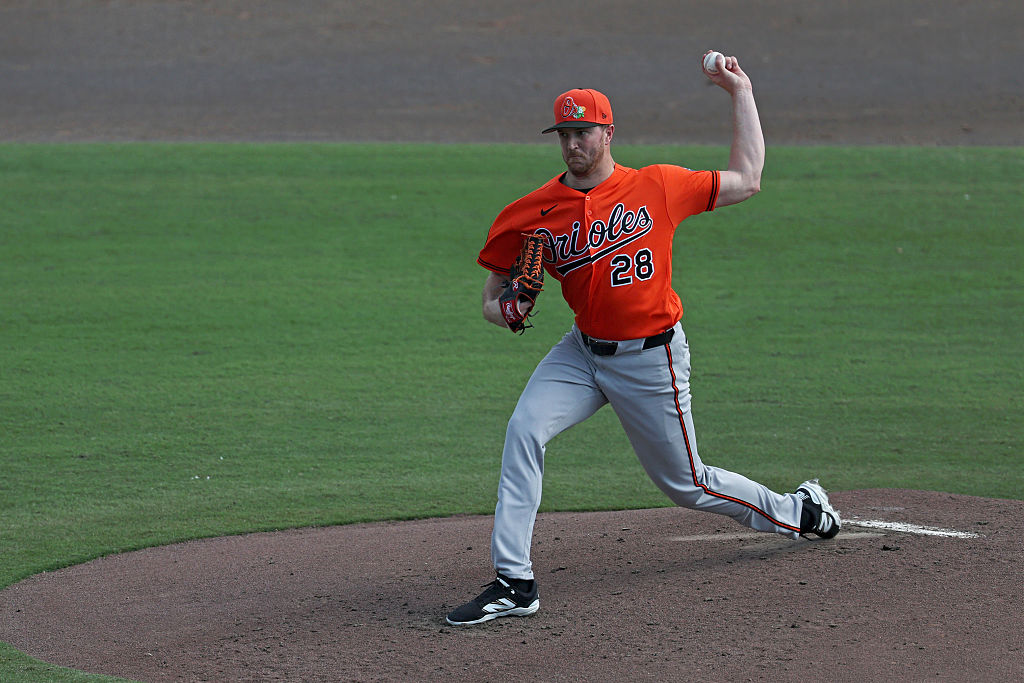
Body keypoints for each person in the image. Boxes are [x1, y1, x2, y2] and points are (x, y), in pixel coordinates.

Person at [446, 52, 840, 627]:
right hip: (581, 353)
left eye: (583, 131)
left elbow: (748, 178)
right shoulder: (533, 212)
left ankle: (799, 512)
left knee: (688, 483)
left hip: (651, 359)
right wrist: (504, 309)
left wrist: (740, 92)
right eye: (564, 133)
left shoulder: (657, 185)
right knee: (524, 430)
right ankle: (515, 581)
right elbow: (491, 297)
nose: (573, 143)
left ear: (608, 132)